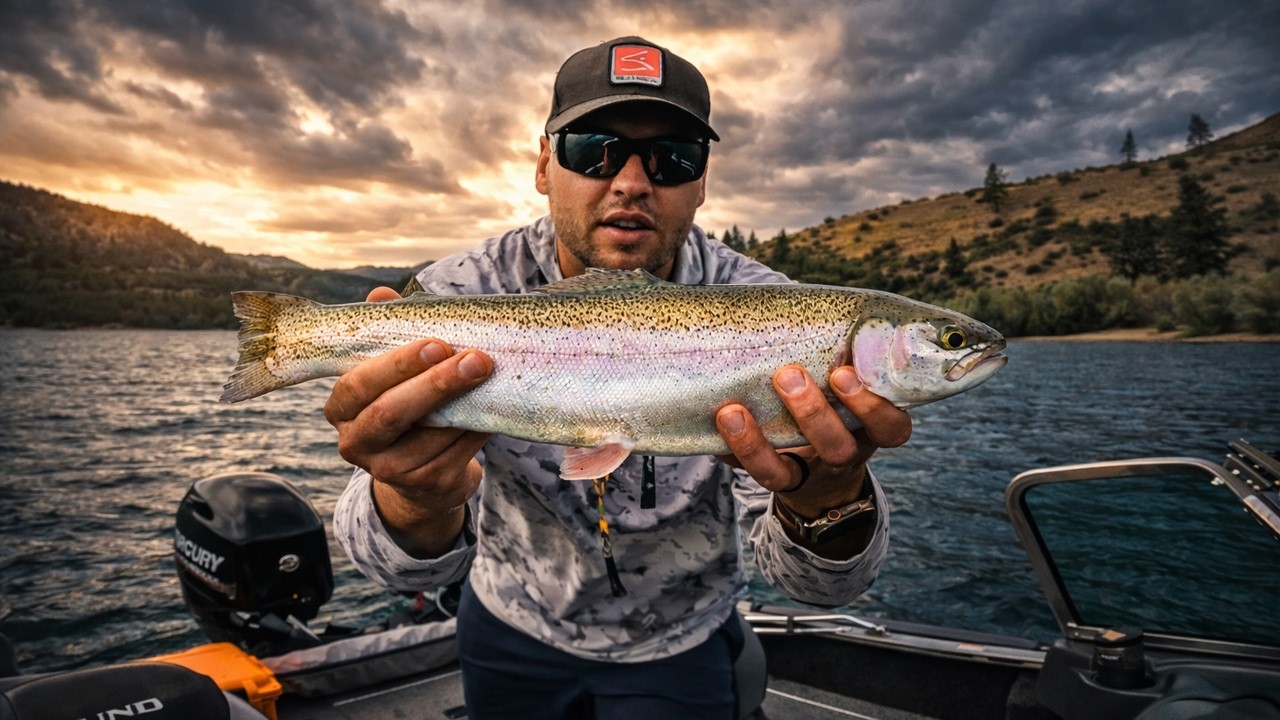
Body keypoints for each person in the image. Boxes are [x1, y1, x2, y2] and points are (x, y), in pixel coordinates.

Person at [326, 36, 912, 719]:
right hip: (508, 624)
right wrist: (412, 499)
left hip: (681, 640)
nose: (631, 181)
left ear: (701, 182)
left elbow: (820, 588)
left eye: (673, 158)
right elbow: (390, 567)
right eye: (593, 150)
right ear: (544, 165)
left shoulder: (782, 318)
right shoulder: (456, 294)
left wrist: (829, 500)